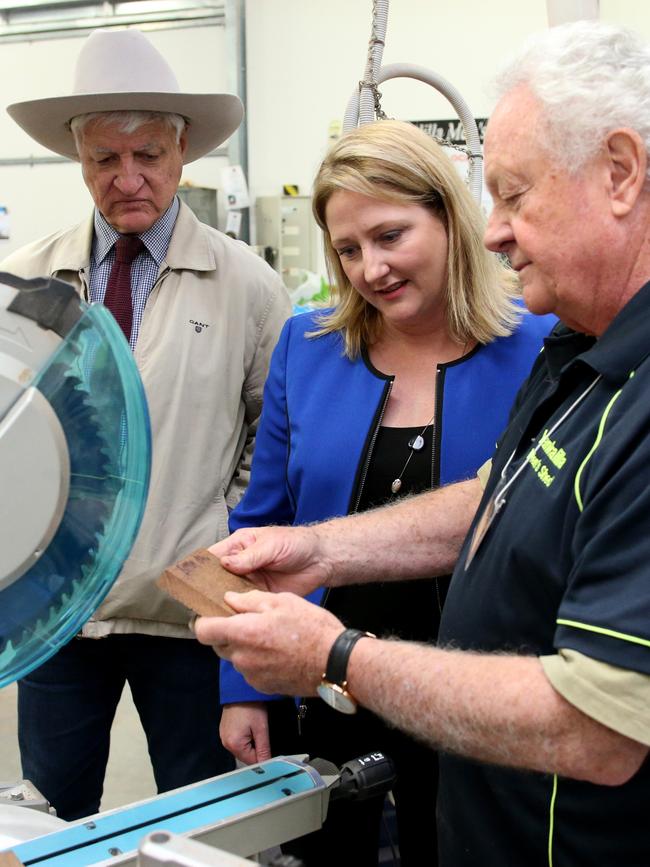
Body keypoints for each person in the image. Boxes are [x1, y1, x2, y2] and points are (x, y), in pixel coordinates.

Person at [195, 20, 650, 867]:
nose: (498, 231)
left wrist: (335, 653)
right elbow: (496, 495)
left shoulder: (586, 364)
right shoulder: (576, 350)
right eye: (348, 249)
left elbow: (598, 722)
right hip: (433, 766)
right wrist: (318, 549)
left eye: (513, 196)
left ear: (620, 174)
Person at [218, 119, 554, 866]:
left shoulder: (541, 344)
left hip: (480, 697)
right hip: (328, 691)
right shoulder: (307, 350)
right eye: (347, 248)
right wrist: (244, 684)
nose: (371, 267)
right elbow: (262, 523)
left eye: (391, 235)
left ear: (448, 217)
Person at [2, 28, 290, 821]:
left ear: (182, 150)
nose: (128, 178)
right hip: (60, 616)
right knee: (49, 821)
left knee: (202, 823)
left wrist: (215, 538)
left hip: (189, 617)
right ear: (78, 158)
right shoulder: (30, 279)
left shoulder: (249, 288)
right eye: (105, 159)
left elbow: (275, 445)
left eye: (148, 155)